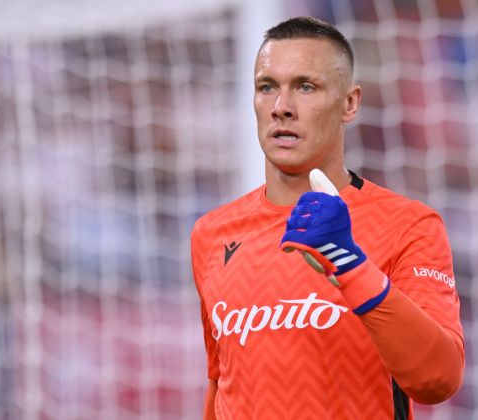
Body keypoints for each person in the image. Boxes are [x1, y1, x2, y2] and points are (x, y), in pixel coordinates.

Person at [190, 16, 464, 420]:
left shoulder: (408, 224)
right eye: (267, 87)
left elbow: (438, 379)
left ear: (349, 103)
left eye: (305, 86)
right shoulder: (212, 234)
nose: (281, 107)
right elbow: (222, 384)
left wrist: (349, 263)